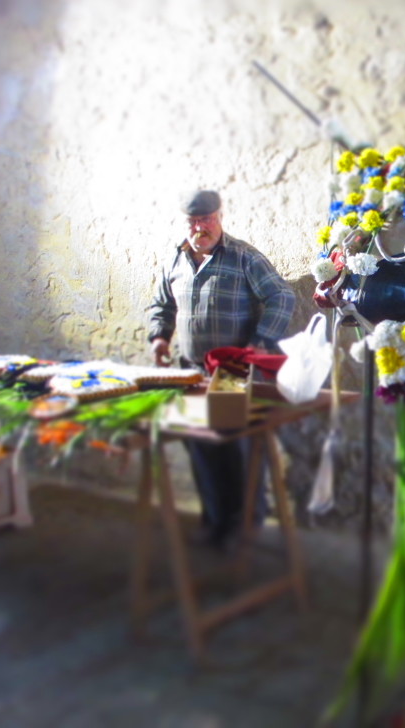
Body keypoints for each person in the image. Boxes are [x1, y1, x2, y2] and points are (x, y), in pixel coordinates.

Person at [147, 189, 296, 548]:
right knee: (201, 448)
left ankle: (247, 529)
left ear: (220, 217)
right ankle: (215, 524)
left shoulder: (243, 256)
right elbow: (161, 305)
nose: (201, 228)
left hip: (231, 372)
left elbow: (282, 296)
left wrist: (260, 342)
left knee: (237, 450)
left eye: (208, 219)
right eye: (194, 222)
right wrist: (159, 338)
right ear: (185, 223)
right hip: (191, 373)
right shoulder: (174, 260)